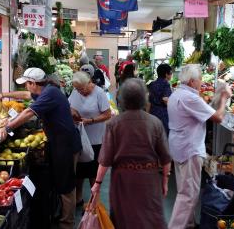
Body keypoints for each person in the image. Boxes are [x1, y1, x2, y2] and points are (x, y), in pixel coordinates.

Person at [0, 68, 82, 229]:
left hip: (65, 145)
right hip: (59, 143)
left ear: (33, 83)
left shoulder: (50, 94)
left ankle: (67, 224)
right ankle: (61, 215)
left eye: (27, 83)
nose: (26, 87)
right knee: (61, 182)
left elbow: (28, 112)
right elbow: (26, 96)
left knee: (66, 185)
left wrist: (8, 127)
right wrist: (3, 94)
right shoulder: (47, 90)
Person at [91, 79, 171, 229]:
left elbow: (105, 160)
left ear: (122, 99)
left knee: (124, 218)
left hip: (123, 182)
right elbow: (165, 157)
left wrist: (97, 183)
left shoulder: (114, 124)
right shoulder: (155, 123)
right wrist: (165, 181)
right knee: (149, 218)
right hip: (149, 180)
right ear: (144, 98)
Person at [167, 64, 232, 229]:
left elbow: (205, 110)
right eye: (199, 79)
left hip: (179, 146)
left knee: (184, 188)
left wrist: (217, 96)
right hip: (189, 148)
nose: (201, 82)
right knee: (188, 195)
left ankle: (188, 224)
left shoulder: (177, 93)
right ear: (191, 81)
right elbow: (217, 117)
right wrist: (224, 98)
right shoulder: (190, 98)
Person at [68, 71, 112, 207]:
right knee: (79, 171)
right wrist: (72, 113)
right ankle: (78, 198)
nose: (80, 92)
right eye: (77, 89)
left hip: (95, 139)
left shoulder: (99, 93)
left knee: (94, 172)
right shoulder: (76, 92)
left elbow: (107, 114)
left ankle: (94, 202)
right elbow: (68, 106)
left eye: (82, 88)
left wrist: (91, 120)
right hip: (80, 138)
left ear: (89, 83)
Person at [148, 63, 173, 134]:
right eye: (170, 73)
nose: (171, 75)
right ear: (166, 74)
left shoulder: (152, 84)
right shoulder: (166, 84)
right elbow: (165, 100)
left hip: (153, 111)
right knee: (163, 135)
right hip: (162, 114)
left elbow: (149, 101)